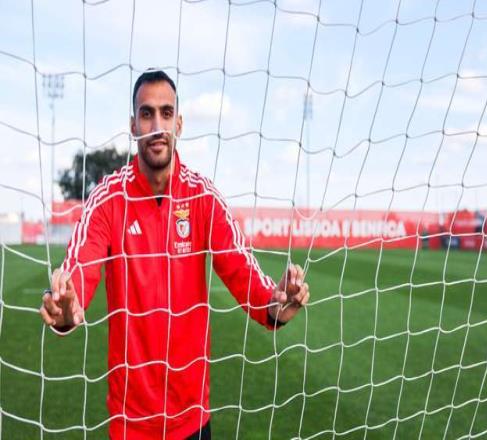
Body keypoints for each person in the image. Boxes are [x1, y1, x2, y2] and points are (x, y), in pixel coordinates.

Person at [39, 70, 310, 440]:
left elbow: (241, 270)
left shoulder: (203, 198)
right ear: (133, 125)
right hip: (130, 422)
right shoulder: (108, 199)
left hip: (192, 419)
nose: (156, 126)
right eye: (146, 114)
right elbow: (78, 273)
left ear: (178, 123)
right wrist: (66, 307)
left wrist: (275, 305)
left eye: (166, 113)